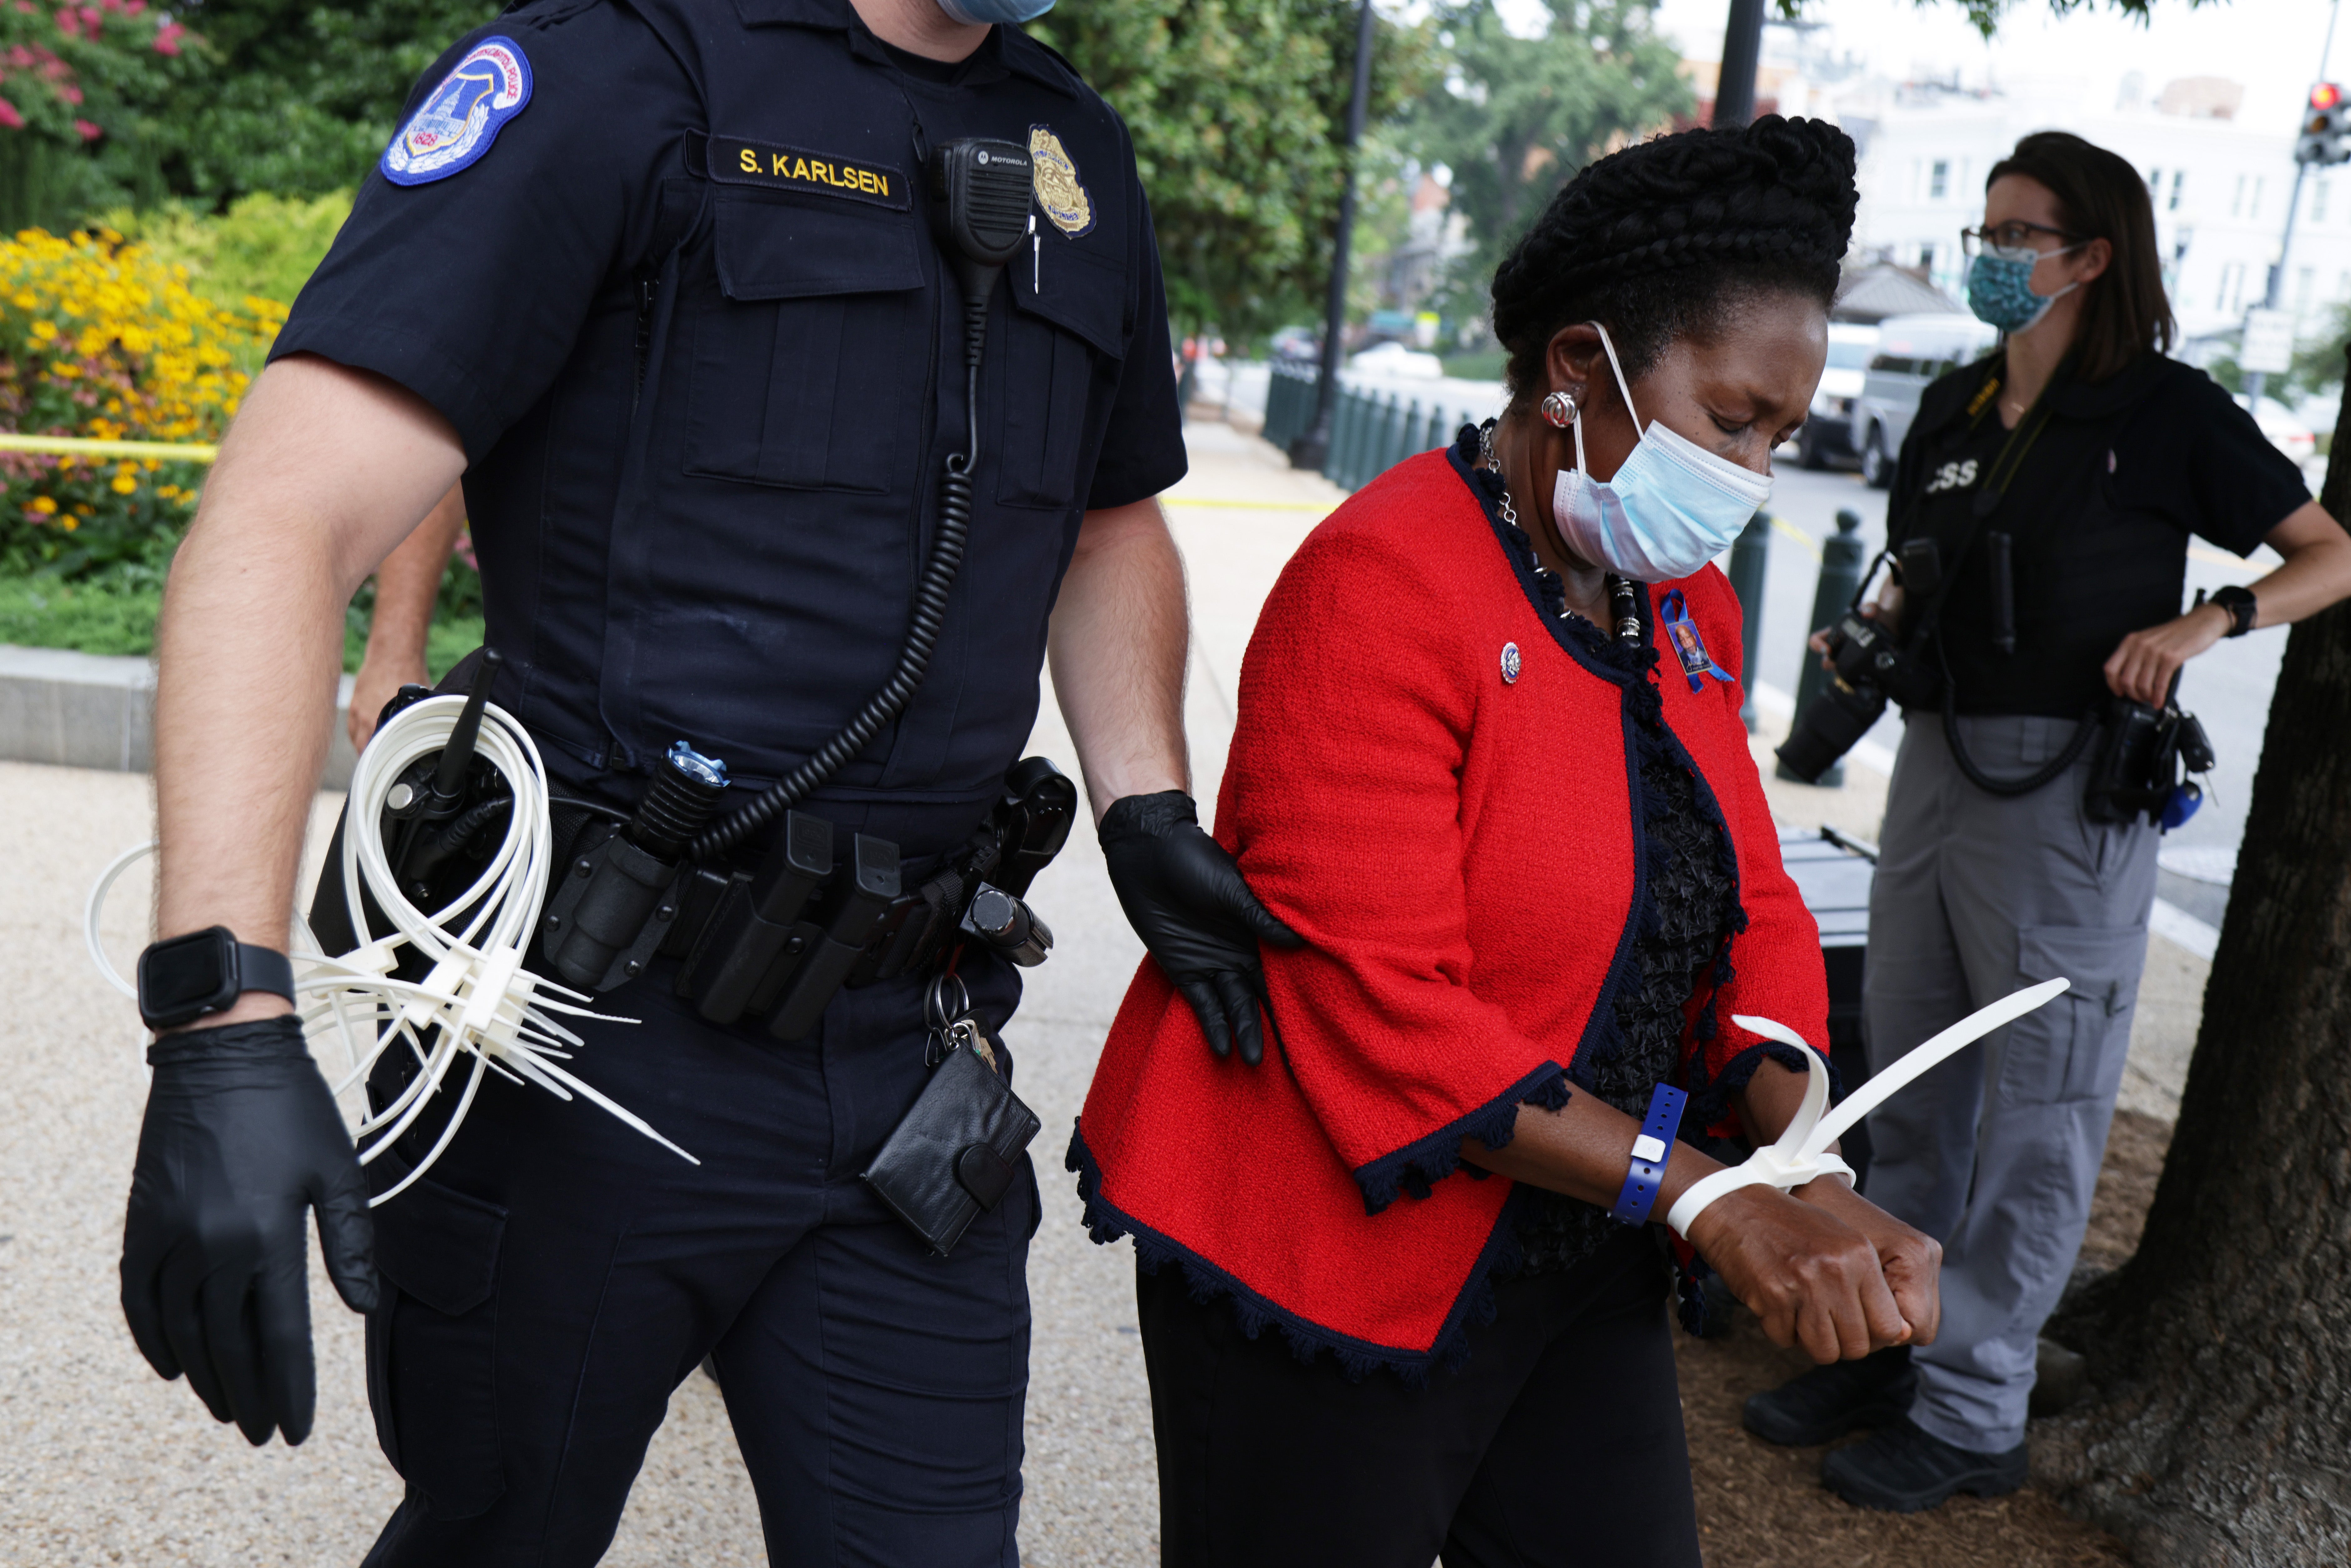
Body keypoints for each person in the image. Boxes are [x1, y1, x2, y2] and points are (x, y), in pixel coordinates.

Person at [115, 0, 1295, 1562]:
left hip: (907, 1053)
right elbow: (278, 524)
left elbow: (1105, 519)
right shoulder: (612, 69)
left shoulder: (1077, 145)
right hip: (587, 1040)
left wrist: (1147, 805)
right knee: (497, 1528)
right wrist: (223, 1021)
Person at [1070, 118, 1944, 1568]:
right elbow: (1381, 1007)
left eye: (1780, 436)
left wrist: (1808, 1159)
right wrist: (1708, 1194)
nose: (1755, 473)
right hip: (1329, 1249)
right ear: (1578, 370)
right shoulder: (1381, 579)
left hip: (1576, 1229)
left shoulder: (1685, 606)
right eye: (1732, 420)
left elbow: (1753, 902)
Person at [1748, 131, 2351, 1512]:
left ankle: (1973, 1407)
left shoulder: (2167, 411)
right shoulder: (1956, 410)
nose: (1991, 255)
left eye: (2020, 235)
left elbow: (2332, 553)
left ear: (2091, 255)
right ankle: (1897, 1338)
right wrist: (1866, 642)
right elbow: (1909, 570)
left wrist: (2207, 621)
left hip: (2072, 793)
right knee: (1911, 1088)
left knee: (2041, 1113)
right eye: (1987, 229)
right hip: (1938, 764)